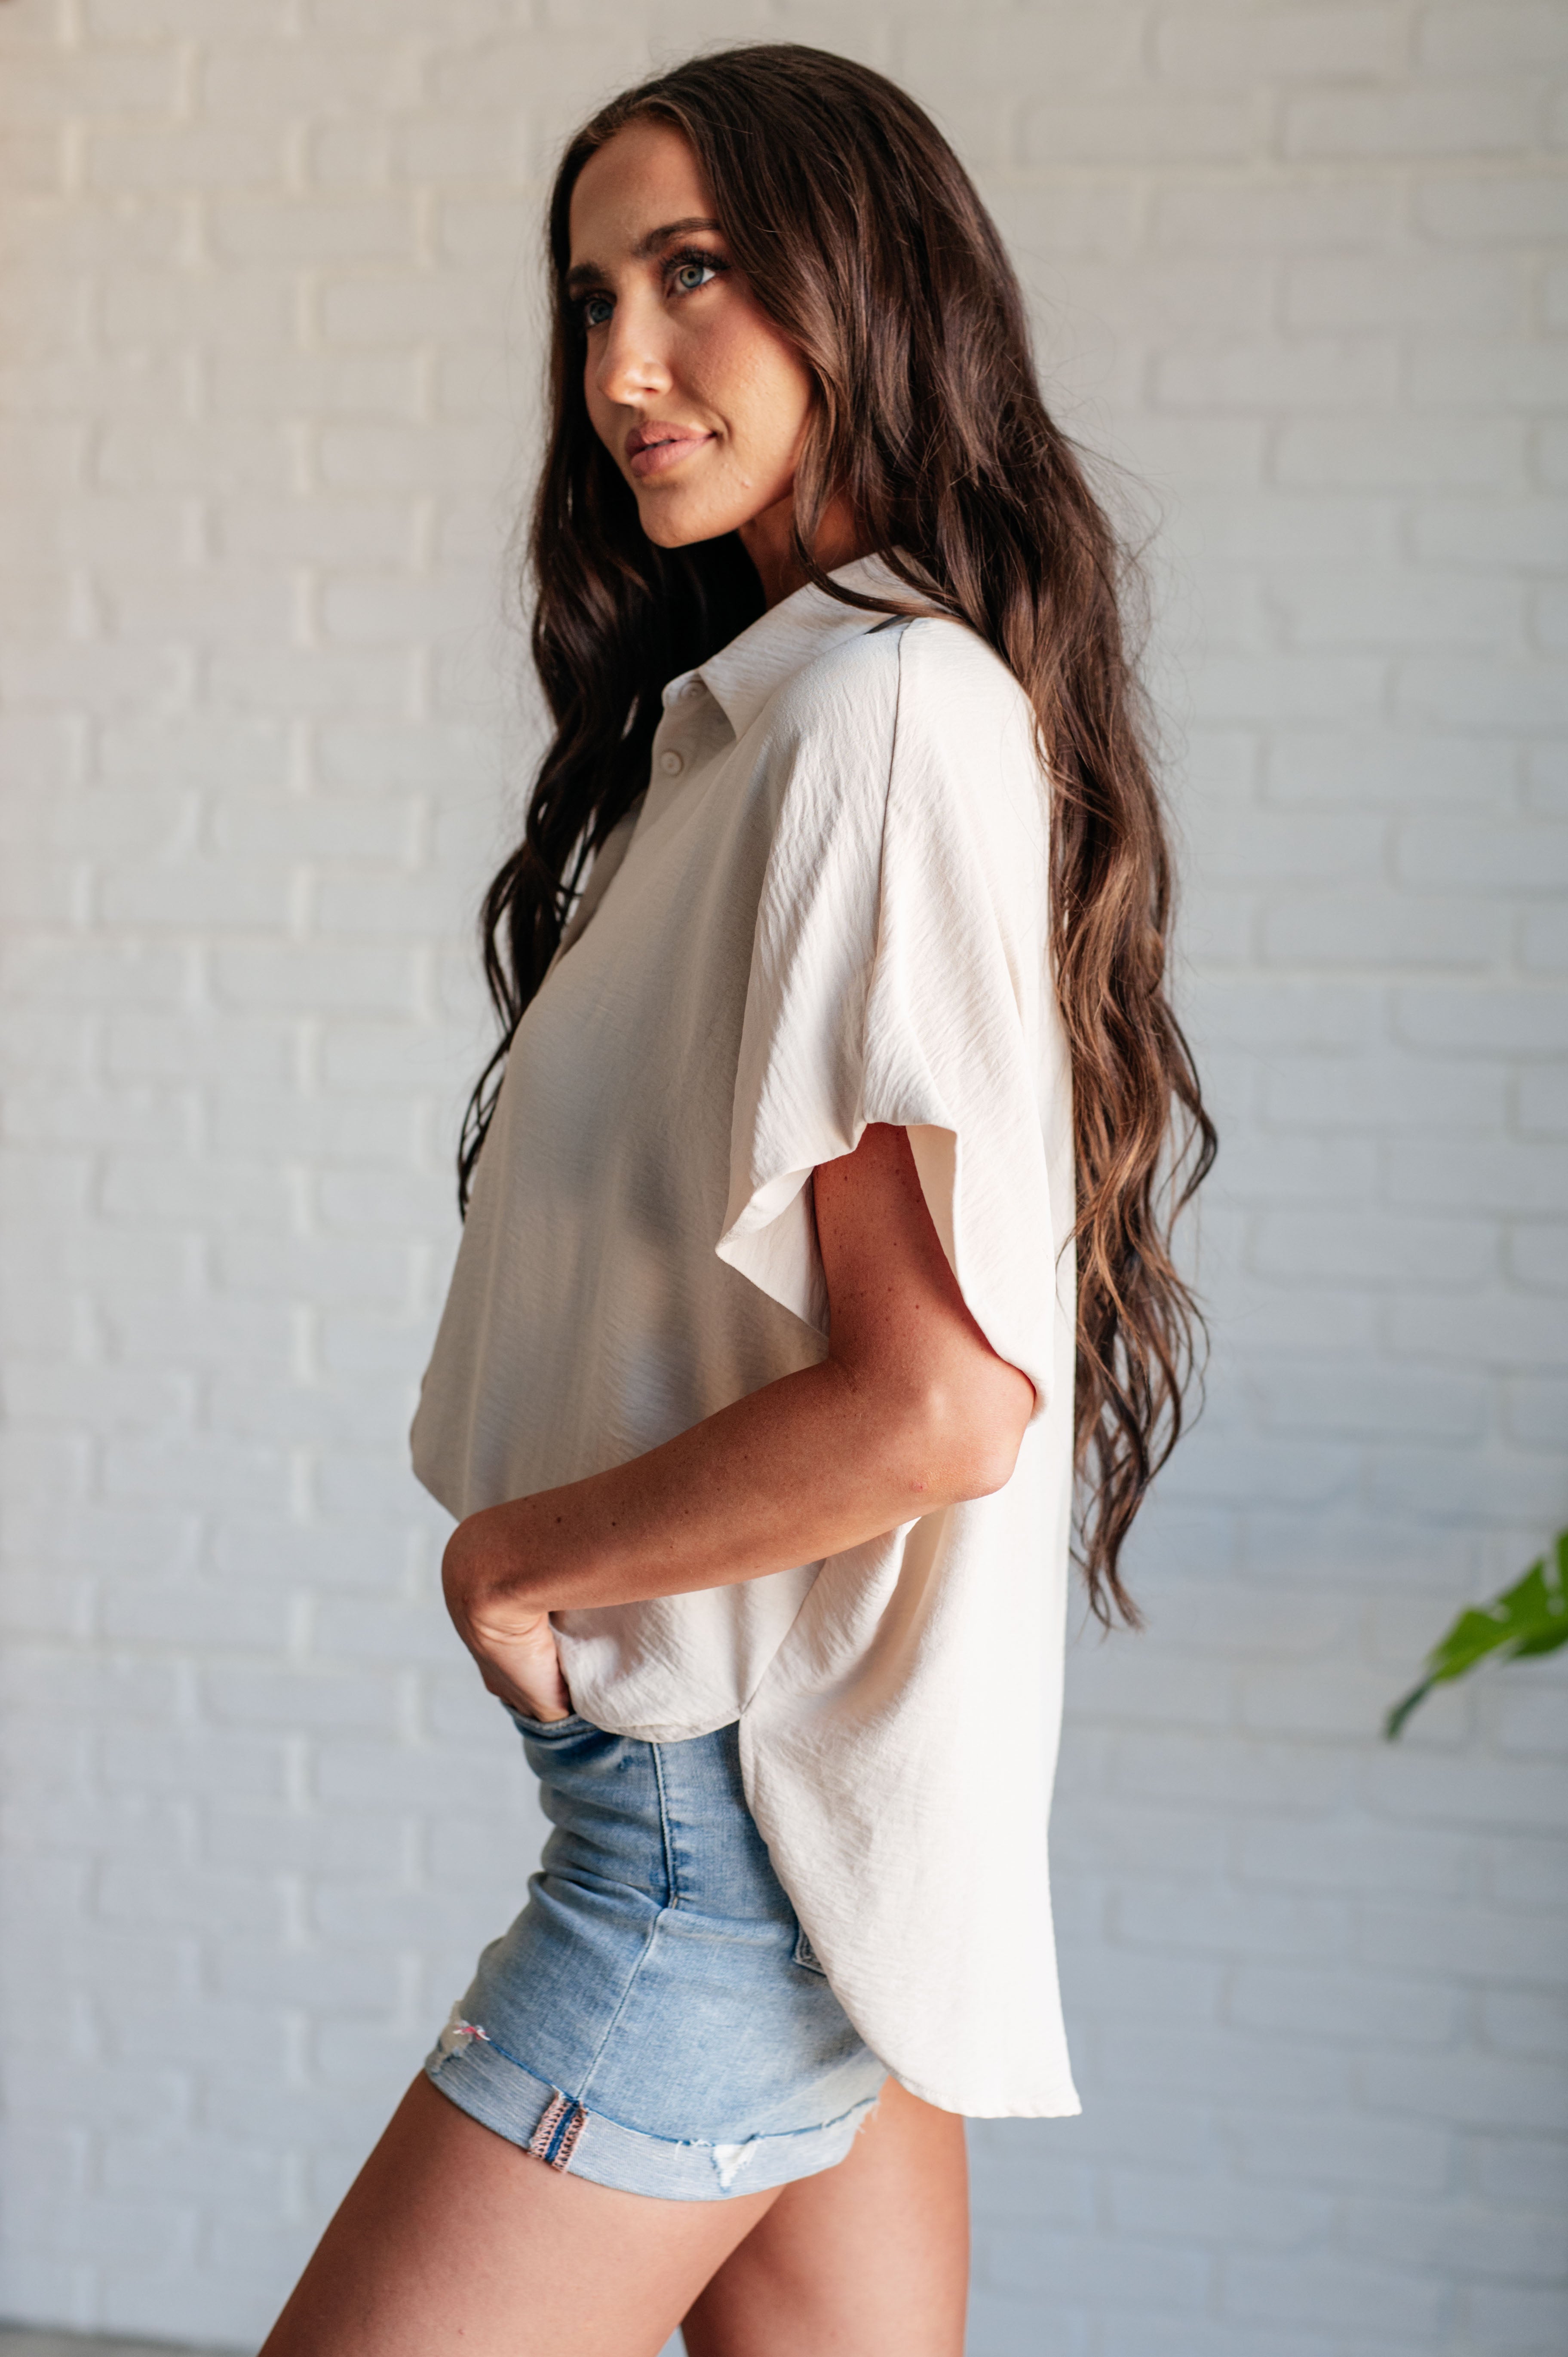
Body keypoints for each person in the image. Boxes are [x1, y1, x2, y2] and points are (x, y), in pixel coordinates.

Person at [261, 42, 1213, 2357]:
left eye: (694, 275)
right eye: (591, 299)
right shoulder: (775, 716)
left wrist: (522, 1553)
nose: (622, 366)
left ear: (860, 285)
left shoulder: (879, 716)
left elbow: (936, 1408)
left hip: (702, 1861)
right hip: (771, 1829)